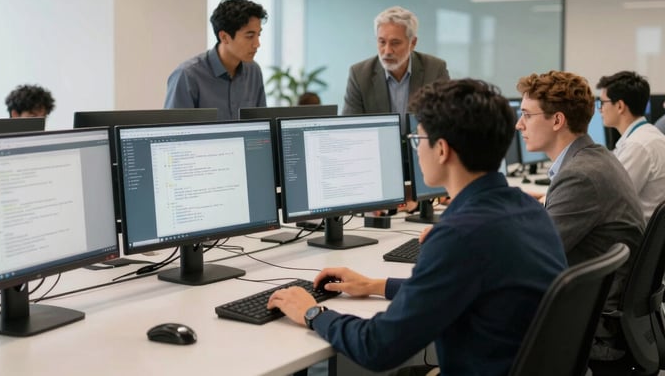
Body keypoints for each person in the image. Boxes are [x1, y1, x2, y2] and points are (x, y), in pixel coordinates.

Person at [268, 79, 567, 375]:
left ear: (442, 150)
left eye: (418, 138)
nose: (416, 148)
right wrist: (376, 285)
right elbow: (456, 287)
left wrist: (313, 313)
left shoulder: (460, 235)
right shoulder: (528, 209)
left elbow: (378, 347)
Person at [516, 70, 644, 362]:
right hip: (600, 315)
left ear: (557, 120)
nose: (518, 124)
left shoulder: (581, 176)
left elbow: (530, 258)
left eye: (526, 115)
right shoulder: (594, 158)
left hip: (593, 330)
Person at [164, 0, 267, 120]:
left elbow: (261, 124)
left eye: (258, 35)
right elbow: (176, 129)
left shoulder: (254, 72)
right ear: (224, 37)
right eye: (249, 36)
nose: (257, 44)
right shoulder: (187, 75)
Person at [342, 6, 449, 116]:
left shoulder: (435, 69)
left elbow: (447, 118)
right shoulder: (359, 75)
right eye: (382, 42)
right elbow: (350, 124)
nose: (387, 51)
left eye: (395, 43)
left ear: (412, 43)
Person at [596, 71, 665, 220]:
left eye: (602, 103)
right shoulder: (646, 135)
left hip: (635, 231)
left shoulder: (638, 146)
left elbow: (608, 198)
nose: (600, 109)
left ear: (620, 106)